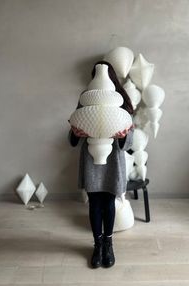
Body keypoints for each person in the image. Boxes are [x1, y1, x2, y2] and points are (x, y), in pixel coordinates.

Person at [69, 60, 134, 268]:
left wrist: (123, 135)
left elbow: (129, 140)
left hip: (113, 159)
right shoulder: (86, 100)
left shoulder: (120, 101)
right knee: (95, 203)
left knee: (108, 202)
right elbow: (73, 132)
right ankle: (97, 245)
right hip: (90, 158)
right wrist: (75, 133)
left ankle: (108, 243)